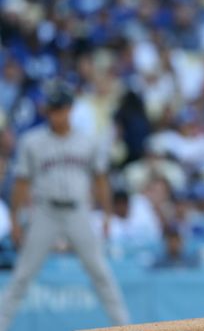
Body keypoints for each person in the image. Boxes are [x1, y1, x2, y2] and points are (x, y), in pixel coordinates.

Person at [0, 82, 130, 329]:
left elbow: (101, 180)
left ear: (70, 109)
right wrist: (16, 220)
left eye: (62, 108)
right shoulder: (32, 141)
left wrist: (106, 216)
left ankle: (124, 325)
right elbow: (21, 184)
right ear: (47, 110)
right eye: (53, 108)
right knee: (22, 275)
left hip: (78, 212)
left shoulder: (87, 141)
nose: (57, 113)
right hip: (45, 212)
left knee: (100, 272)